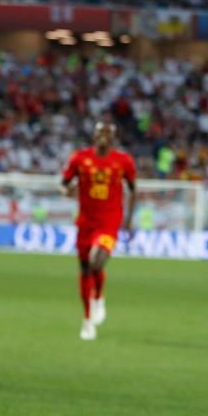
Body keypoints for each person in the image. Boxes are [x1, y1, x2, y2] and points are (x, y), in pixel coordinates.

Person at [61, 121, 136, 341]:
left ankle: (99, 297)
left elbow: (133, 190)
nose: (103, 136)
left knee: (97, 262)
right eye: (99, 132)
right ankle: (87, 321)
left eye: (108, 133)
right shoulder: (79, 158)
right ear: (93, 136)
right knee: (85, 270)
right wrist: (67, 190)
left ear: (113, 138)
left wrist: (129, 220)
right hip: (85, 222)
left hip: (109, 222)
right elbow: (64, 183)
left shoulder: (123, 161)